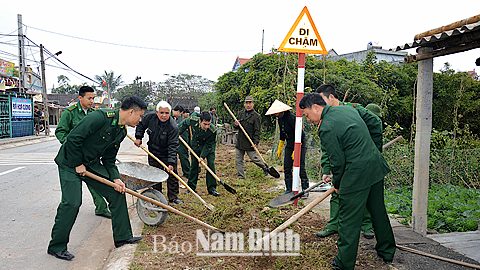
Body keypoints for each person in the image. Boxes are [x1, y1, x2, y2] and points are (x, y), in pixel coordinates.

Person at [299, 92, 395, 270]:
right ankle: (387, 251)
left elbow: (338, 162)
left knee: (348, 219)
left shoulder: (326, 127)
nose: (308, 119)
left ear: (316, 108)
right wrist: (374, 150)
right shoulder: (348, 110)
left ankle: (344, 263)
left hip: (356, 174)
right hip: (375, 167)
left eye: (307, 115)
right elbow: (374, 123)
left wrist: (337, 184)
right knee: (378, 211)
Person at [48, 96, 147, 261]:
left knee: (117, 193)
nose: (140, 119)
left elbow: (109, 159)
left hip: (90, 164)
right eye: (140, 115)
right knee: (72, 202)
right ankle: (56, 246)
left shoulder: (121, 131)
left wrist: (116, 179)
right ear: (131, 112)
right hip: (70, 162)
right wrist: (77, 163)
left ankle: (123, 237)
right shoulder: (100, 117)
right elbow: (73, 139)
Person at [315, 84, 383, 240]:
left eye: (322, 99)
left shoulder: (354, 109)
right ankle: (333, 225)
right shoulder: (324, 117)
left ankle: (366, 225)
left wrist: (374, 151)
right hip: (342, 162)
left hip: (360, 161)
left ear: (331, 97)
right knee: (337, 193)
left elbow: (375, 124)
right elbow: (326, 148)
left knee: (363, 193)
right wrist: (327, 170)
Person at [55, 86, 111, 219]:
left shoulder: (93, 113)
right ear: (80, 98)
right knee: (70, 188)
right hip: (71, 157)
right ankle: (67, 213)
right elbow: (60, 132)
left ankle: (101, 208)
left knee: (95, 182)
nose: (92, 101)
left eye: (93, 98)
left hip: (88, 157)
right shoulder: (70, 112)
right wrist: (70, 146)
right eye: (89, 98)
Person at [135, 101, 183, 204]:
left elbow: (173, 146)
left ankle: (173, 197)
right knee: (154, 175)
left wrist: (170, 163)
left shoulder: (173, 126)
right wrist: (139, 137)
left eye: (166, 113)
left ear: (170, 113)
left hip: (167, 153)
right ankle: (157, 197)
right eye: (161, 113)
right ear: (157, 112)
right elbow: (141, 125)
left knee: (172, 175)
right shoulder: (150, 117)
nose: (164, 115)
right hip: (153, 151)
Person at [265, 100, 309, 195]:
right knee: (287, 166)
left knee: (300, 166)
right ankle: (289, 189)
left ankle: (305, 189)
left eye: (277, 112)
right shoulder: (280, 119)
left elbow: (300, 134)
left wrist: (296, 149)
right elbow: (282, 133)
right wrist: (280, 147)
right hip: (289, 143)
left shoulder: (292, 118)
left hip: (300, 142)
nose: (275, 114)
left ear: (282, 111)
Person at [178, 111, 219, 196]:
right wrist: (177, 133)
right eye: (205, 124)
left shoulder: (212, 130)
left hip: (209, 147)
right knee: (194, 165)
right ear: (200, 121)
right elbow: (184, 123)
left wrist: (202, 156)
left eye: (208, 124)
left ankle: (212, 189)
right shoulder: (193, 120)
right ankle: (191, 187)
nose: (207, 126)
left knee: (210, 165)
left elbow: (209, 145)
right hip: (196, 144)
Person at [233, 96, 269, 178]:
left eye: (250, 103)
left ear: (253, 104)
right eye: (246, 103)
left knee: (254, 158)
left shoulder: (256, 116)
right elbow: (235, 126)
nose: (248, 105)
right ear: (244, 104)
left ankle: (265, 168)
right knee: (238, 160)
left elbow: (257, 131)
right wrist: (235, 124)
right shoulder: (240, 114)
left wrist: (255, 142)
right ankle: (241, 176)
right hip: (241, 141)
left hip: (250, 142)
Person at [173, 105, 190, 178]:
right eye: (181, 113)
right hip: (176, 140)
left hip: (182, 139)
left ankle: (187, 172)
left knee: (183, 156)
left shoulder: (186, 119)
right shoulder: (171, 118)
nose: (181, 115)